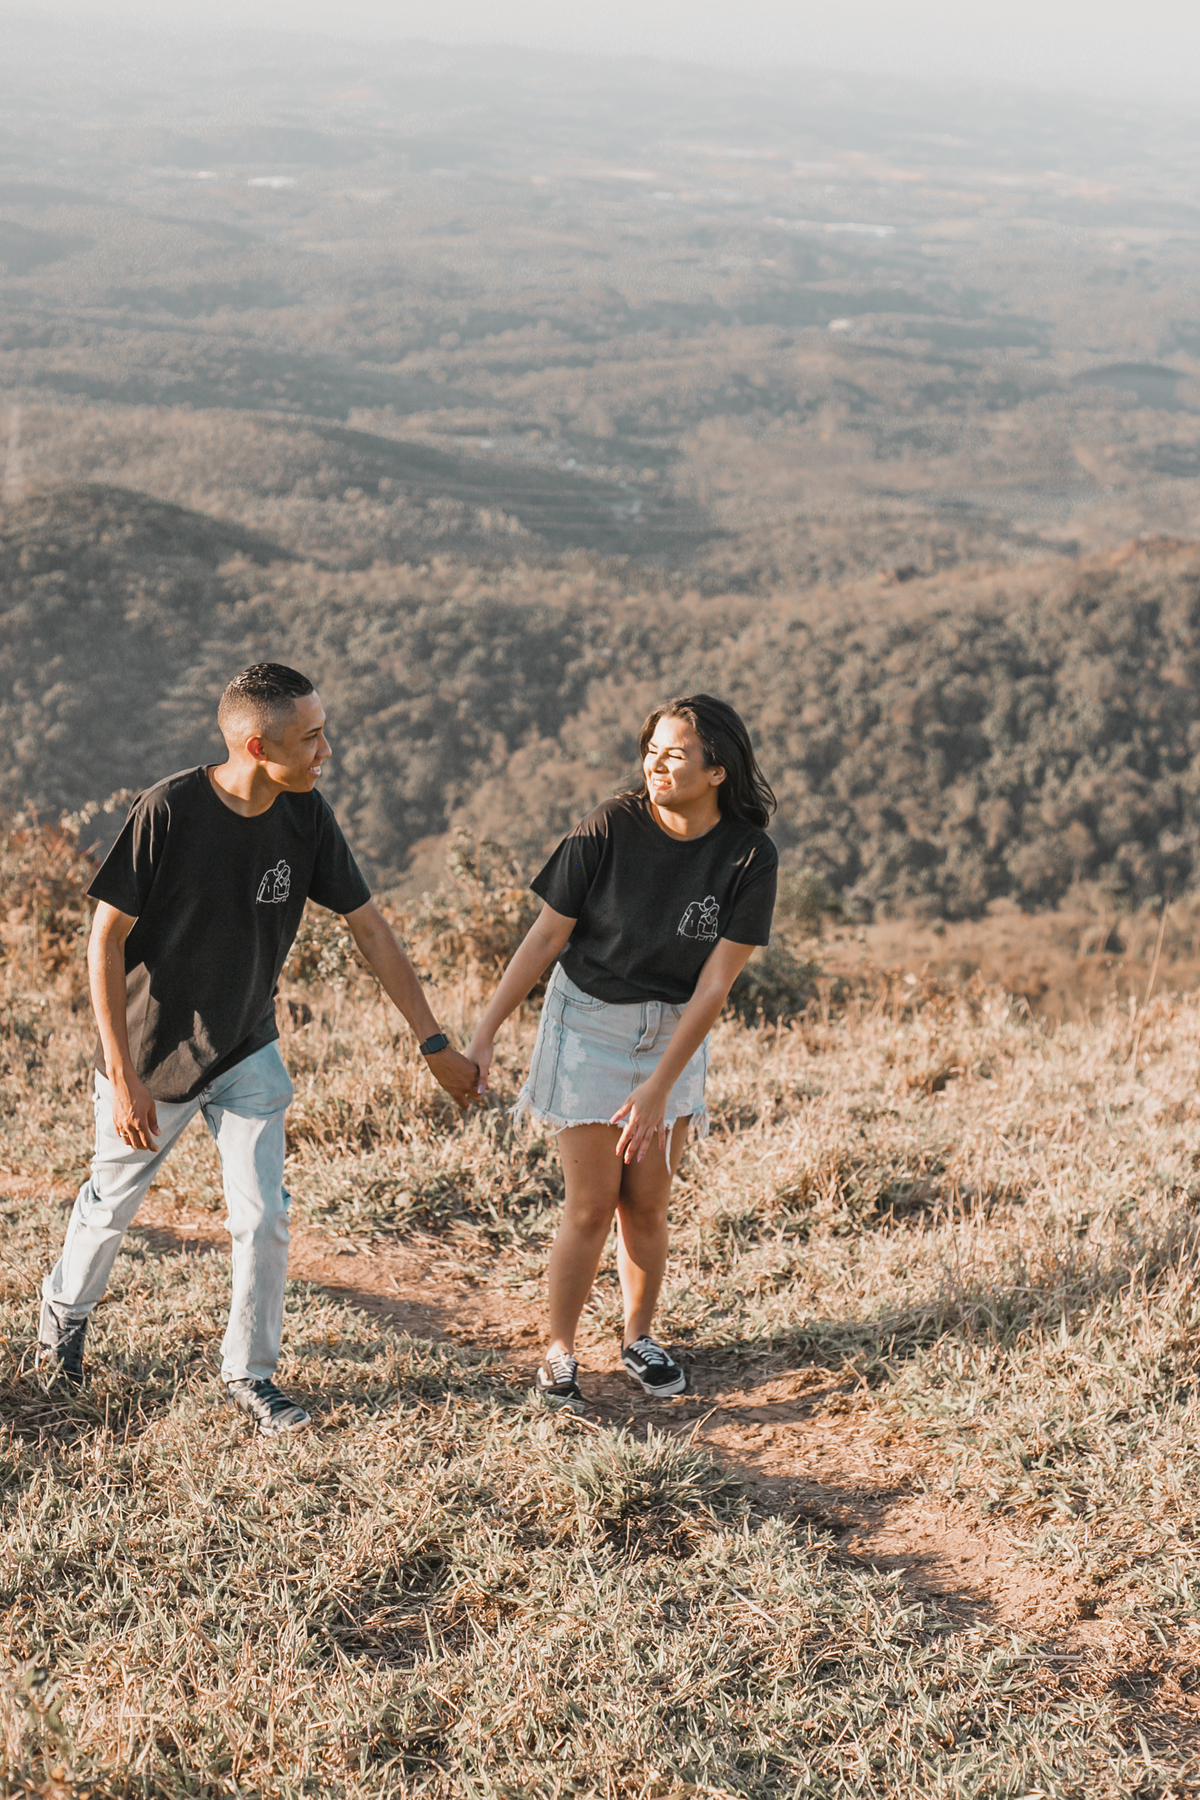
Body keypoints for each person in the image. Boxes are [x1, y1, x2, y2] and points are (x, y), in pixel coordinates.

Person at [36, 663, 478, 1435]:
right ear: (256, 746)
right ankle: (63, 1319)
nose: (326, 751)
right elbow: (104, 940)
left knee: (264, 1216)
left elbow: (369, 929)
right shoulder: (168, 810)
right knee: (111, 1207)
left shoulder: (306, 815)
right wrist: (122, 1073)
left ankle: (250, 1372)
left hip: (247, 1044)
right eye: (311, 738)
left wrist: (432, 1040)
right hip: (152, 1054)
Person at [465, 694, 777, 1410]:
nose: (656, 766)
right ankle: (560, 1351)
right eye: (651, 752)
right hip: (588, 1025)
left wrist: (661, 1085)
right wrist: (485, 1031)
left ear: (719, 771)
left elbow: (714, 986)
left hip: (675, 1034)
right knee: (590, 1204)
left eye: (675, 755)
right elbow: (546, 937)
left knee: (647, 1203)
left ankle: (639, 1337)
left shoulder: (748, 856)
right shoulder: (610, 825)